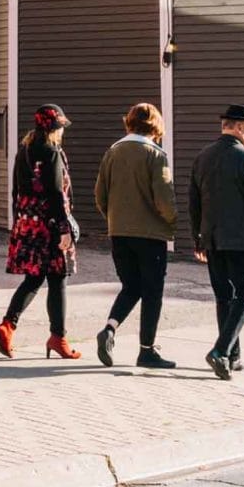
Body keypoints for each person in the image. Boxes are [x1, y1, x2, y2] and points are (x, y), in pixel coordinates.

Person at [188, 103, 244, 380]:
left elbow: (194, 202)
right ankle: (221, 351)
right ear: (239, 128)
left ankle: (232, 356)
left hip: (213, 240)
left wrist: (198, 239)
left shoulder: (202, 157)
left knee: (225, 297)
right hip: (241, 241)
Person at [93, 102, 178, 369]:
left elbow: (100, 194)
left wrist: (114, 217)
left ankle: (109, 328)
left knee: (131, 286)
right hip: (150, 235)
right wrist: (172, 221)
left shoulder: (113, 151)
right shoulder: (156, 155)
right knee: (152, 292)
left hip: (118, 232)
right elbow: (164, 198)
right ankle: (147, 350)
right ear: (156, 126)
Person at [0, 105, 81, 360]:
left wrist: (18, 222)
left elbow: (16, 192)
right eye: (60, 127)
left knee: (33, 278)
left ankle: (7, 326)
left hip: (28, 223)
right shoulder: (52, 153)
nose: (62, 132)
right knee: (58, 279)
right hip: (51, 225)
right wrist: (64, 229)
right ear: (53, 128)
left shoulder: (24, 152)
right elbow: (56, 194)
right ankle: (58, 338)